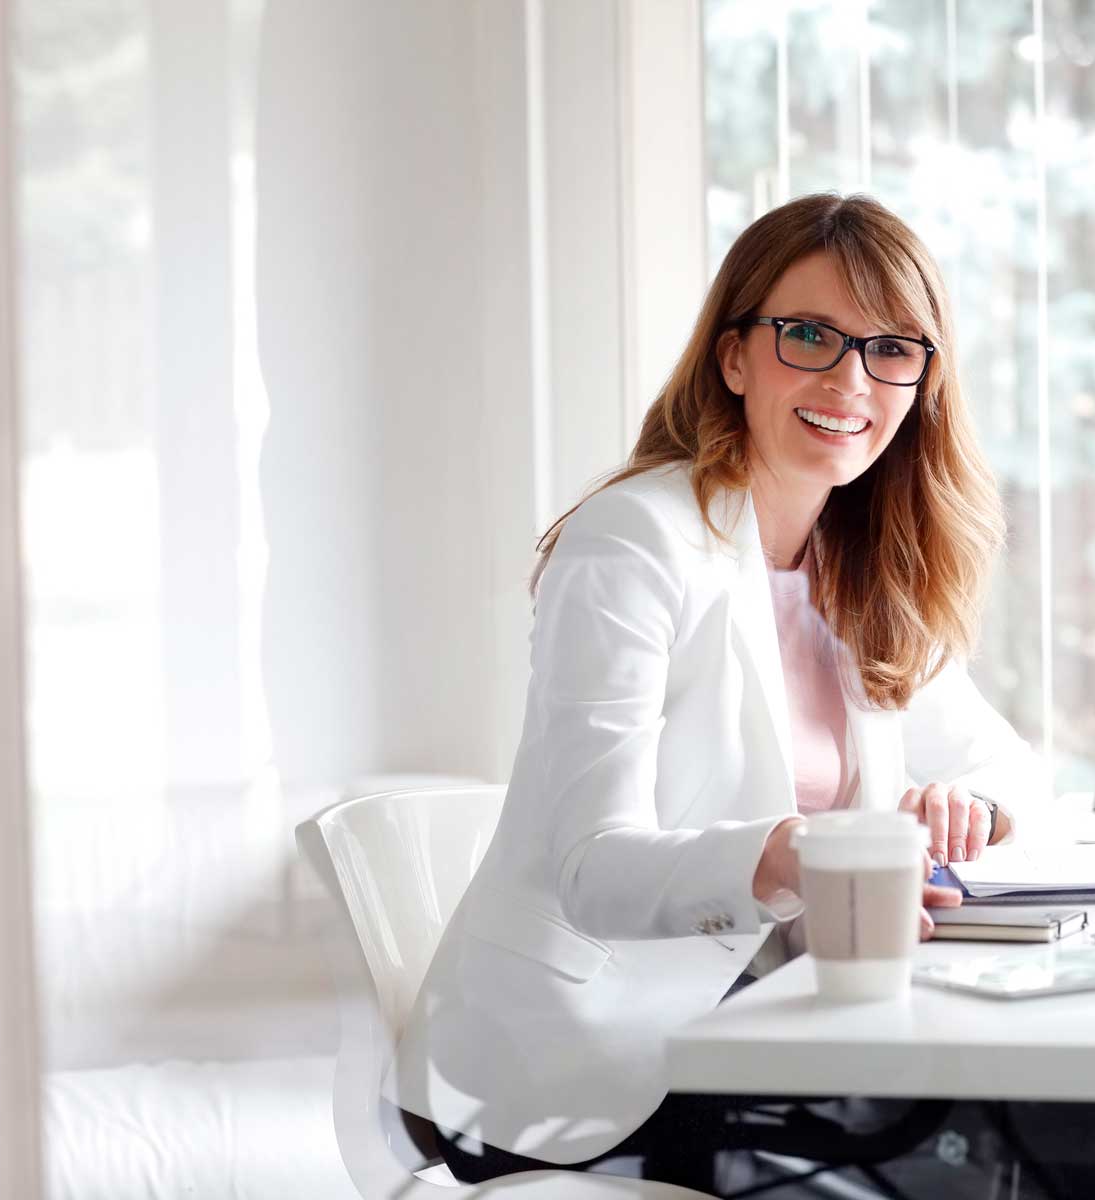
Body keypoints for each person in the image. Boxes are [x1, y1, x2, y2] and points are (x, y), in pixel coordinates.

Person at [395, 192, 1048, 1184]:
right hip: (579, 1073)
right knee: (1003, 1155)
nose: (850, 378)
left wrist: (972, 806)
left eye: (891, 348)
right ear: (734, 356)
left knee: (1053, 1135)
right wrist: (790, 855)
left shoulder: (860, 561)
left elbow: (1009, 767)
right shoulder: (634, 542)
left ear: (923, 380)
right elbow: (593, 868)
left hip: (766, 1034)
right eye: (809, 335)